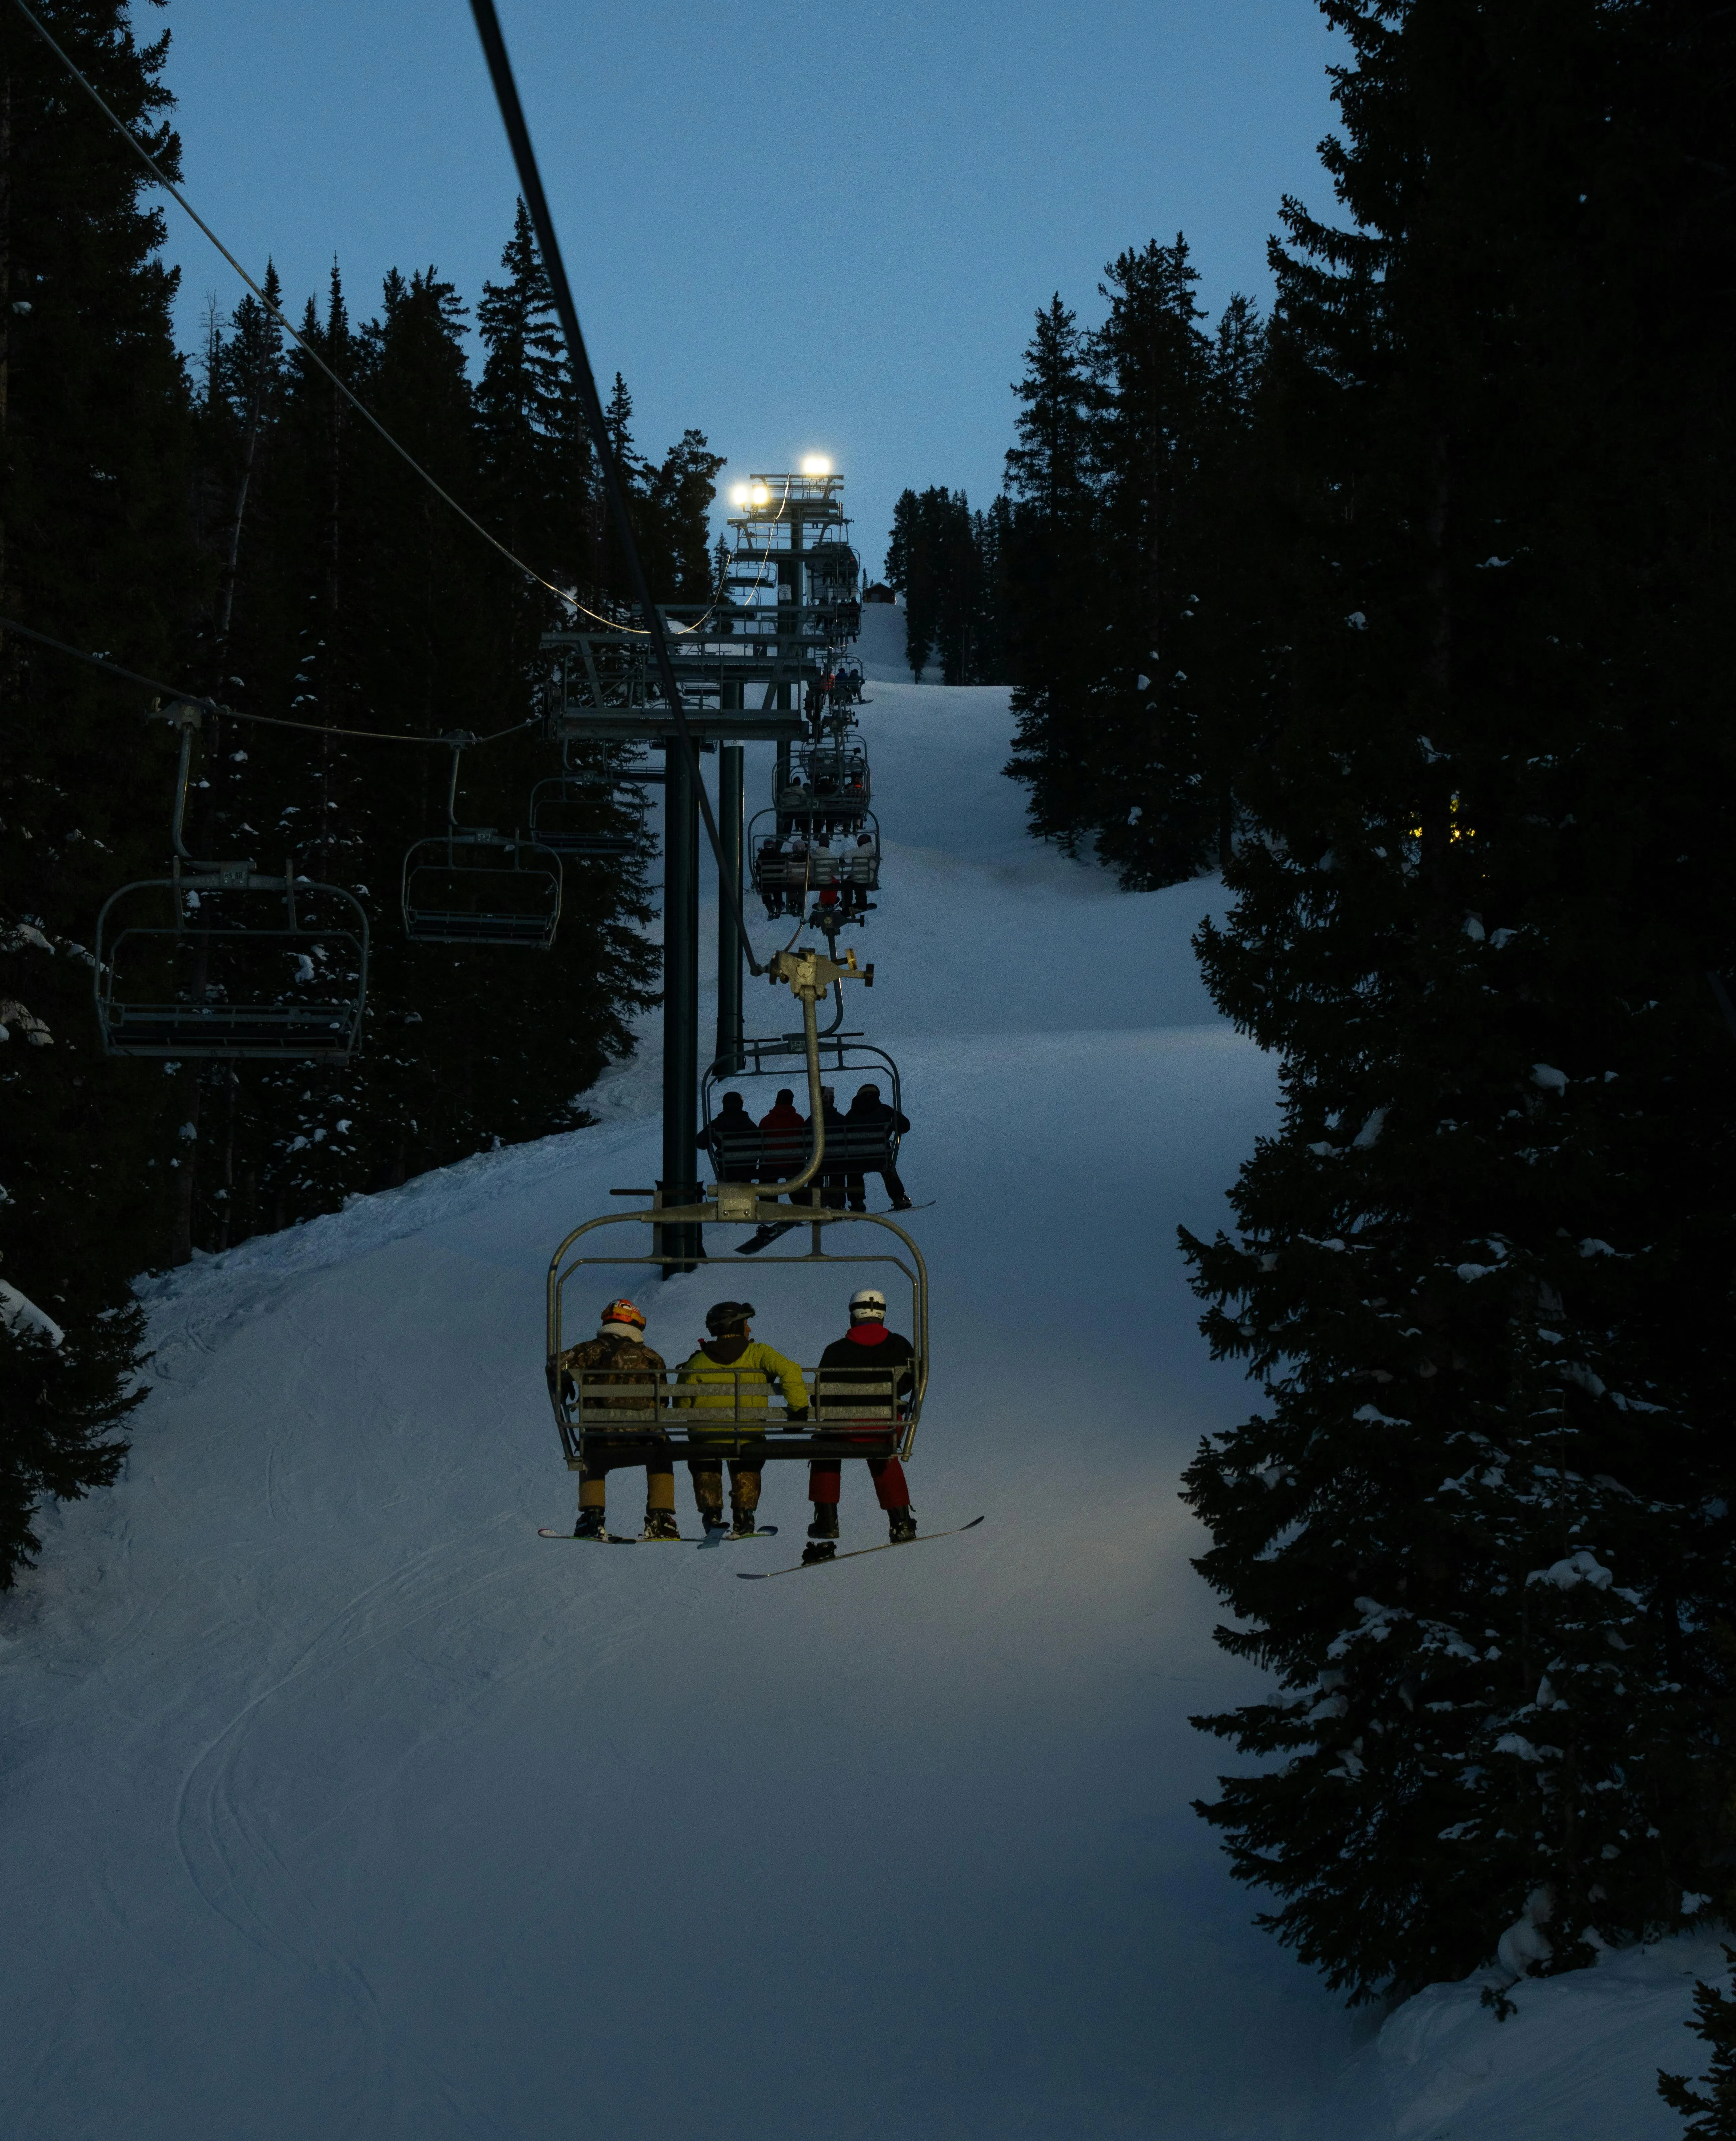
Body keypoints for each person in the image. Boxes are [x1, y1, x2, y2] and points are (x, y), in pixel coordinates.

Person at [675, 1301, 809, 1536]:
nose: (750, 1329)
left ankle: (712, 1512)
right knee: (748, 1456)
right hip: (748, 1435)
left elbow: (681, 1406)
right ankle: (744, 1514)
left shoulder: (697, 1362)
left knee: (704, 1456)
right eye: (746, 1323)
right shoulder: (758, 1354)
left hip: (708, 1439)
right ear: (737, 1325)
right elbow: (790, 1370)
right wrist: (799, 1409)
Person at [805, 1288, 916, 1561]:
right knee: (885, 1456)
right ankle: (901, 1522)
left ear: (854, 1314)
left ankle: (827, 1521)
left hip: (844, 1429)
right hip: (885, 1428)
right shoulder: (900, 1345)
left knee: (825, 1452)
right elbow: (913, 1382)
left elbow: (820, 1394)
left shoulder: (836, 1350)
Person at [553, 1298, 676, 1540]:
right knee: (663, 1448)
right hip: (646, 1440)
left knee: (590, 1447)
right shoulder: (652, 1358)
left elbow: (557, 1363)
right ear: (637, 1326)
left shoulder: (587, 1351)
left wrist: (565, 1379)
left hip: (602, 1438)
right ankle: (661, 1517)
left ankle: (592, 1515)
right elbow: (663, 1402)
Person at [843, 1082, 913, 1212]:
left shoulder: (851, 1115)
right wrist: (894, 1126)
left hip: (857, 1160)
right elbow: (906, 1126)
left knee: (853, 1171)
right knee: (888, 1168)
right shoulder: (885, 1110)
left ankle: (856, 1202)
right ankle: (899, 1198)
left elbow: (843, 1136)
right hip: (880, 1157)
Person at [702, 1091, 759, 1183]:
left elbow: (700, 1143)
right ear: (741, 1105)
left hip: (727, 1170)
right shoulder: (750, 1125)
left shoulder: (717, 1124)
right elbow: (760, 1145)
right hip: (748, 1170)